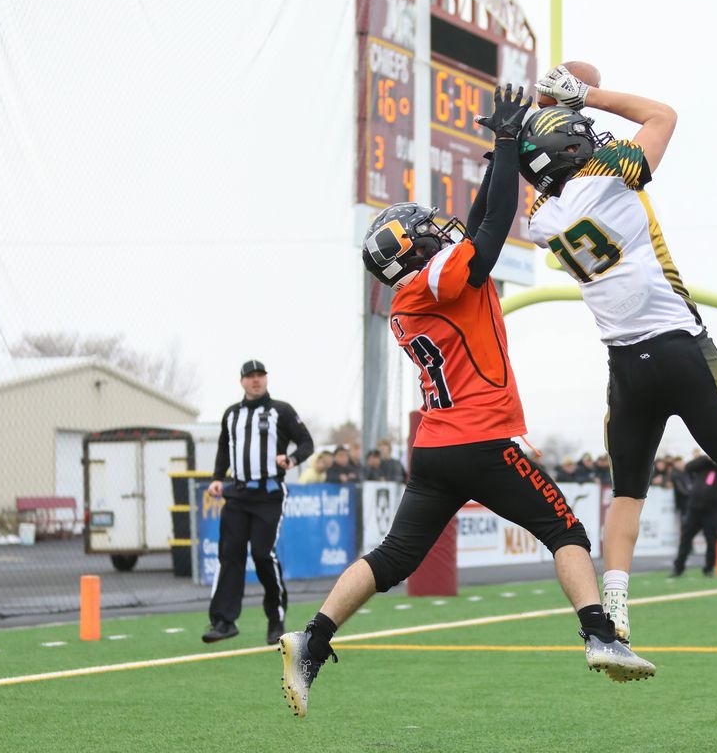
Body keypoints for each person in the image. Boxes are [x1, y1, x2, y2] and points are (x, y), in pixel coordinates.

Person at [278, 85, 654, 719]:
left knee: (394, 556)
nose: (438, 230)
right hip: (479, 437)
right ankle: (600, 636)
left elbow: (482, 224)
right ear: (417, 253)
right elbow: (486, 239)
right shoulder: (437, 281)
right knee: (564, 529)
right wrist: (508, 148)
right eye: (427, 232)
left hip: (436, 447)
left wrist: (496, 160)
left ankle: (311, 638)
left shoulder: (407, 298)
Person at [520, 65, 717, 671]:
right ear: (580, 144)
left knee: (628, 491)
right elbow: (662, 115)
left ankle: (616, 608)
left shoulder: (543, 220)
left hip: (624, 367)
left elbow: (543, 169)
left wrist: (543, 121)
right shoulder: (611, 180)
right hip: (680, 346)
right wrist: (586, 96)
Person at [203, 360, 314, 646]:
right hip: (238, 494)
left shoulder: (282, 410)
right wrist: (217, 477)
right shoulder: (231, 415)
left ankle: (276, 620)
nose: (256, 380)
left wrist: (291, 460)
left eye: (260, 375)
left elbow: (306, 443)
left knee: (264, 555)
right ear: (241, 381)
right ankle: (223, 621)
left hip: (269, 494)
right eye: (250, 376)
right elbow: (224, 449)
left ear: (266, 378)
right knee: (230, 553)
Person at [671, 455, 717, 577]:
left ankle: (709, 568)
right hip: (695, 509)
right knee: (685, 539)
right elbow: (689, 467)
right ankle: (678, 568)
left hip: (712, 511)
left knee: (711, 540)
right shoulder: (704, 466)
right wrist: (707, 458)